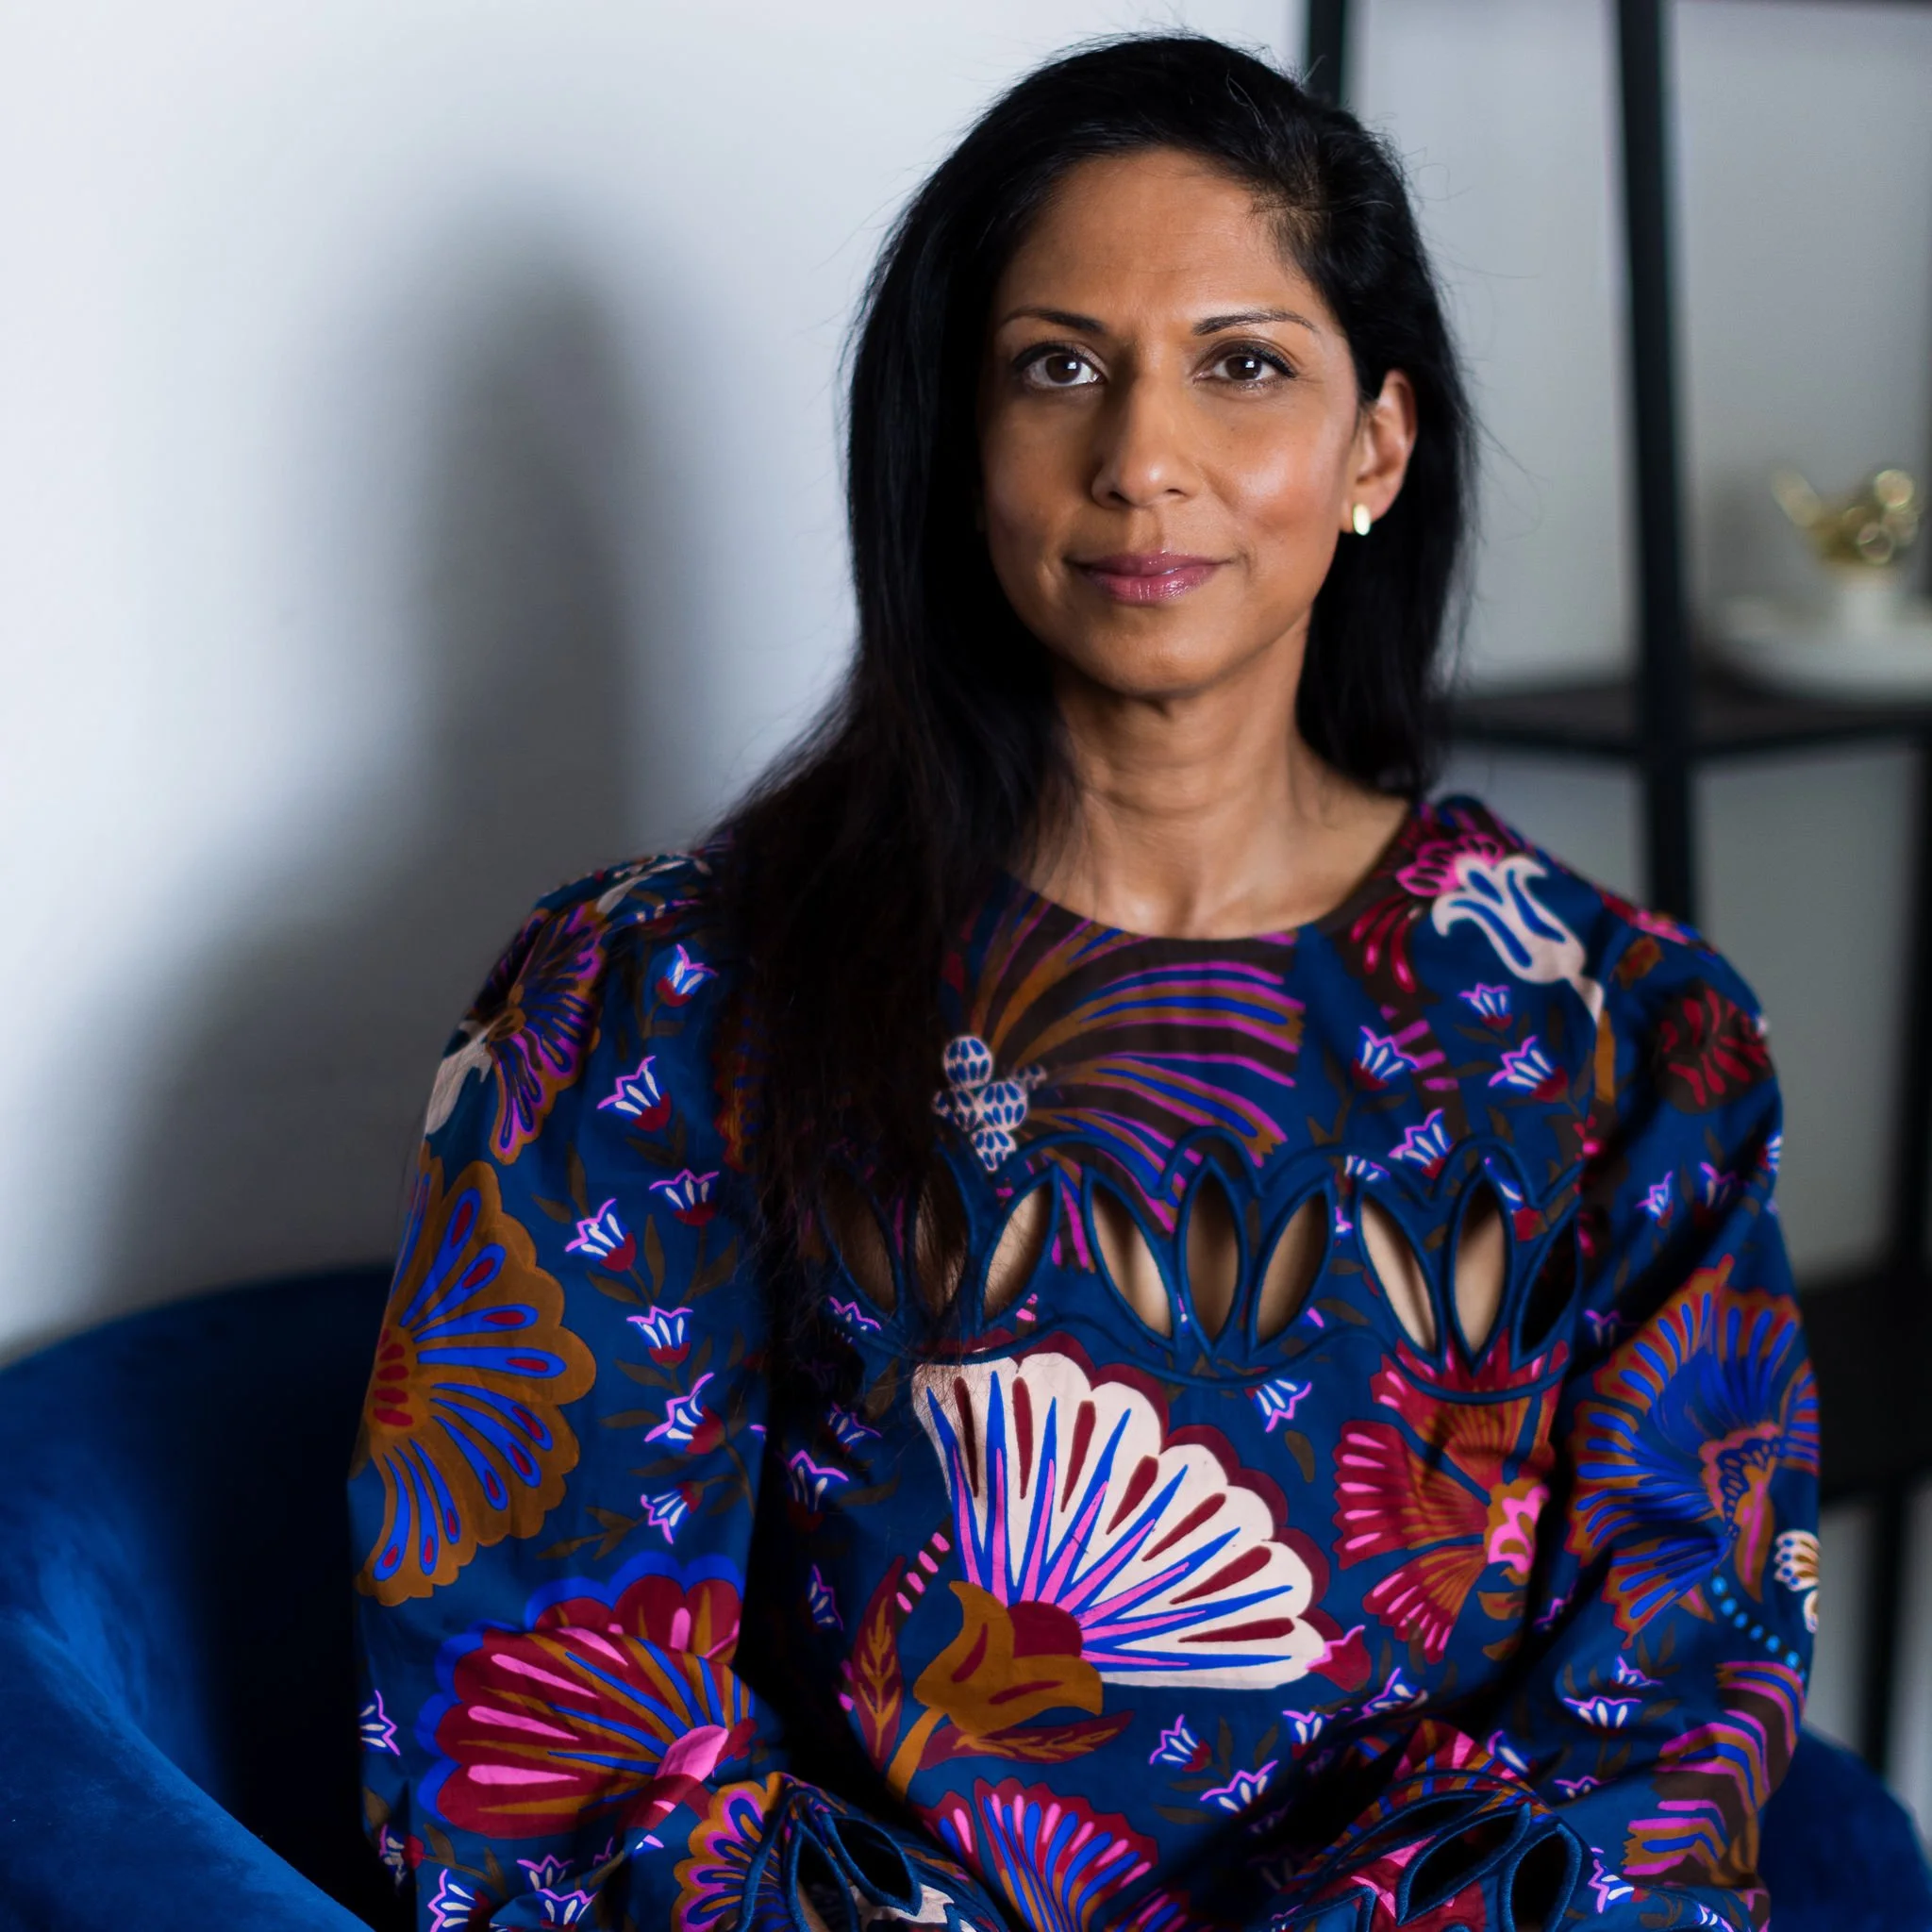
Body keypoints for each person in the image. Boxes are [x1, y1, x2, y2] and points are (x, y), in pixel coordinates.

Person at [348, 34, 1816, 1932]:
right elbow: (547, 1752)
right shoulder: (649, 1001)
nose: (1142, 460)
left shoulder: (1629, 1041)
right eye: (1058, 366)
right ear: (962, 441)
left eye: (1241, 365)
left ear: (1373, 444)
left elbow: (1671, 1715)